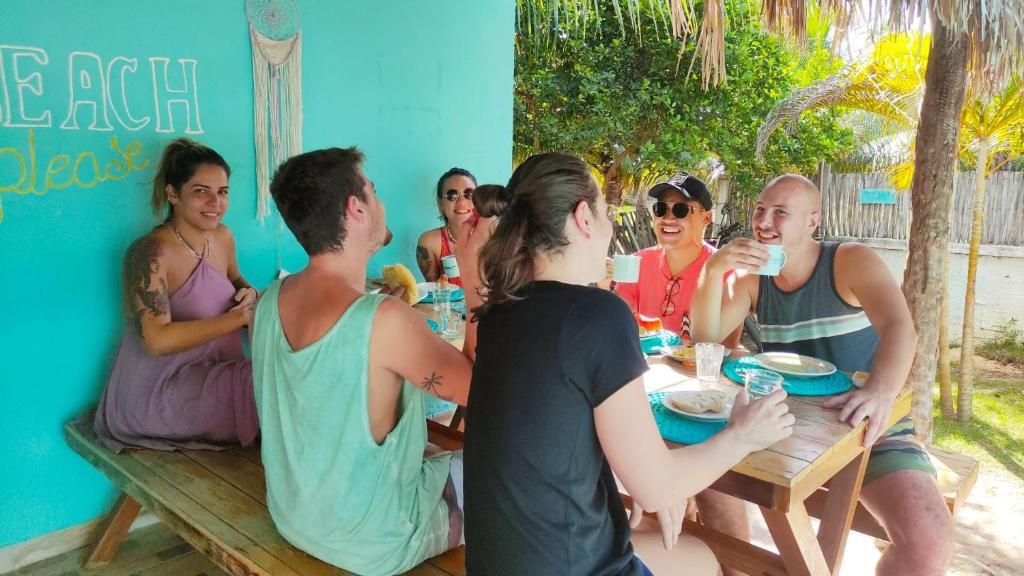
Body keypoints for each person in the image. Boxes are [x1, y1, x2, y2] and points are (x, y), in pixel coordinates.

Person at [464, 153, 795, 576]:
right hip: (567, 565)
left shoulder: (499, 311)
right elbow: (657, 488)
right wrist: (743, 434)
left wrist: (654, 479)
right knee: (708, 557)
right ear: (584, 217)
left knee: (661, 529)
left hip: (493, 564)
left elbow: (555, 429)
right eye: (605, 212)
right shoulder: (595, 314)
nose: (610, 226)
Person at [691, 174, 953, 576]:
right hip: (784, 426)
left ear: (812, 221)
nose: (764, 222)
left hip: (863, 424)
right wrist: (714, 269)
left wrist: (881, 392)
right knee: (702, 477)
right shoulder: (752, 278)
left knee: (929, 545)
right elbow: (706, 343)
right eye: (760, 210)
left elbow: (900, 327)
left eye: (781, 212)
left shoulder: (850, 260)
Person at [251, 147, 488, 576]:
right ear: (356, 208)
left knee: (435, 449)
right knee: (512, 472)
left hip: (294, 516)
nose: (380, 202)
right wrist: (474, 276)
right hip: (377, 541)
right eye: (373, 191)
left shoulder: (268, 301)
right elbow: (480, 388)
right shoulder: (384, 319)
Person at [93, 138, 259, 452]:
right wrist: (237, 319)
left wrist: (249, 293)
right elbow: (156, 340)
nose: (215, 202)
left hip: (214, 373)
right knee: (271, 389)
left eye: (223, 192)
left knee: (283, 377)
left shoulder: (223, 237)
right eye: (201, 191)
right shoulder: (150, 253)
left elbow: (236, 281)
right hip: (160, 392)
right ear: (173, 194)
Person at [416, 167, 477, 285]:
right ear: (441, 204)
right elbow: (433, 292)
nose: (461, 202)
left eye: (469, 194)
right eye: (452, 195)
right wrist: (439, 287)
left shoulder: (495, 238)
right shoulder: (429, 242)